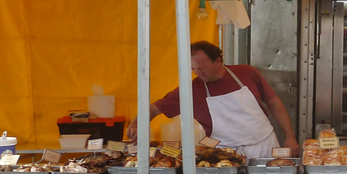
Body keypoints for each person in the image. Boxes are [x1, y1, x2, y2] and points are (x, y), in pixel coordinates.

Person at [128, 41, 300, 158]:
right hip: (225, 155)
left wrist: (290, 136)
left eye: (202, 68)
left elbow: (273, 102)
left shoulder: (247, 73)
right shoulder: (191, 90)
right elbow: (153, 109)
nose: (198, 73)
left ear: (218, 61)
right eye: (193, 69)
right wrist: (136, 124)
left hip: (265, 146)